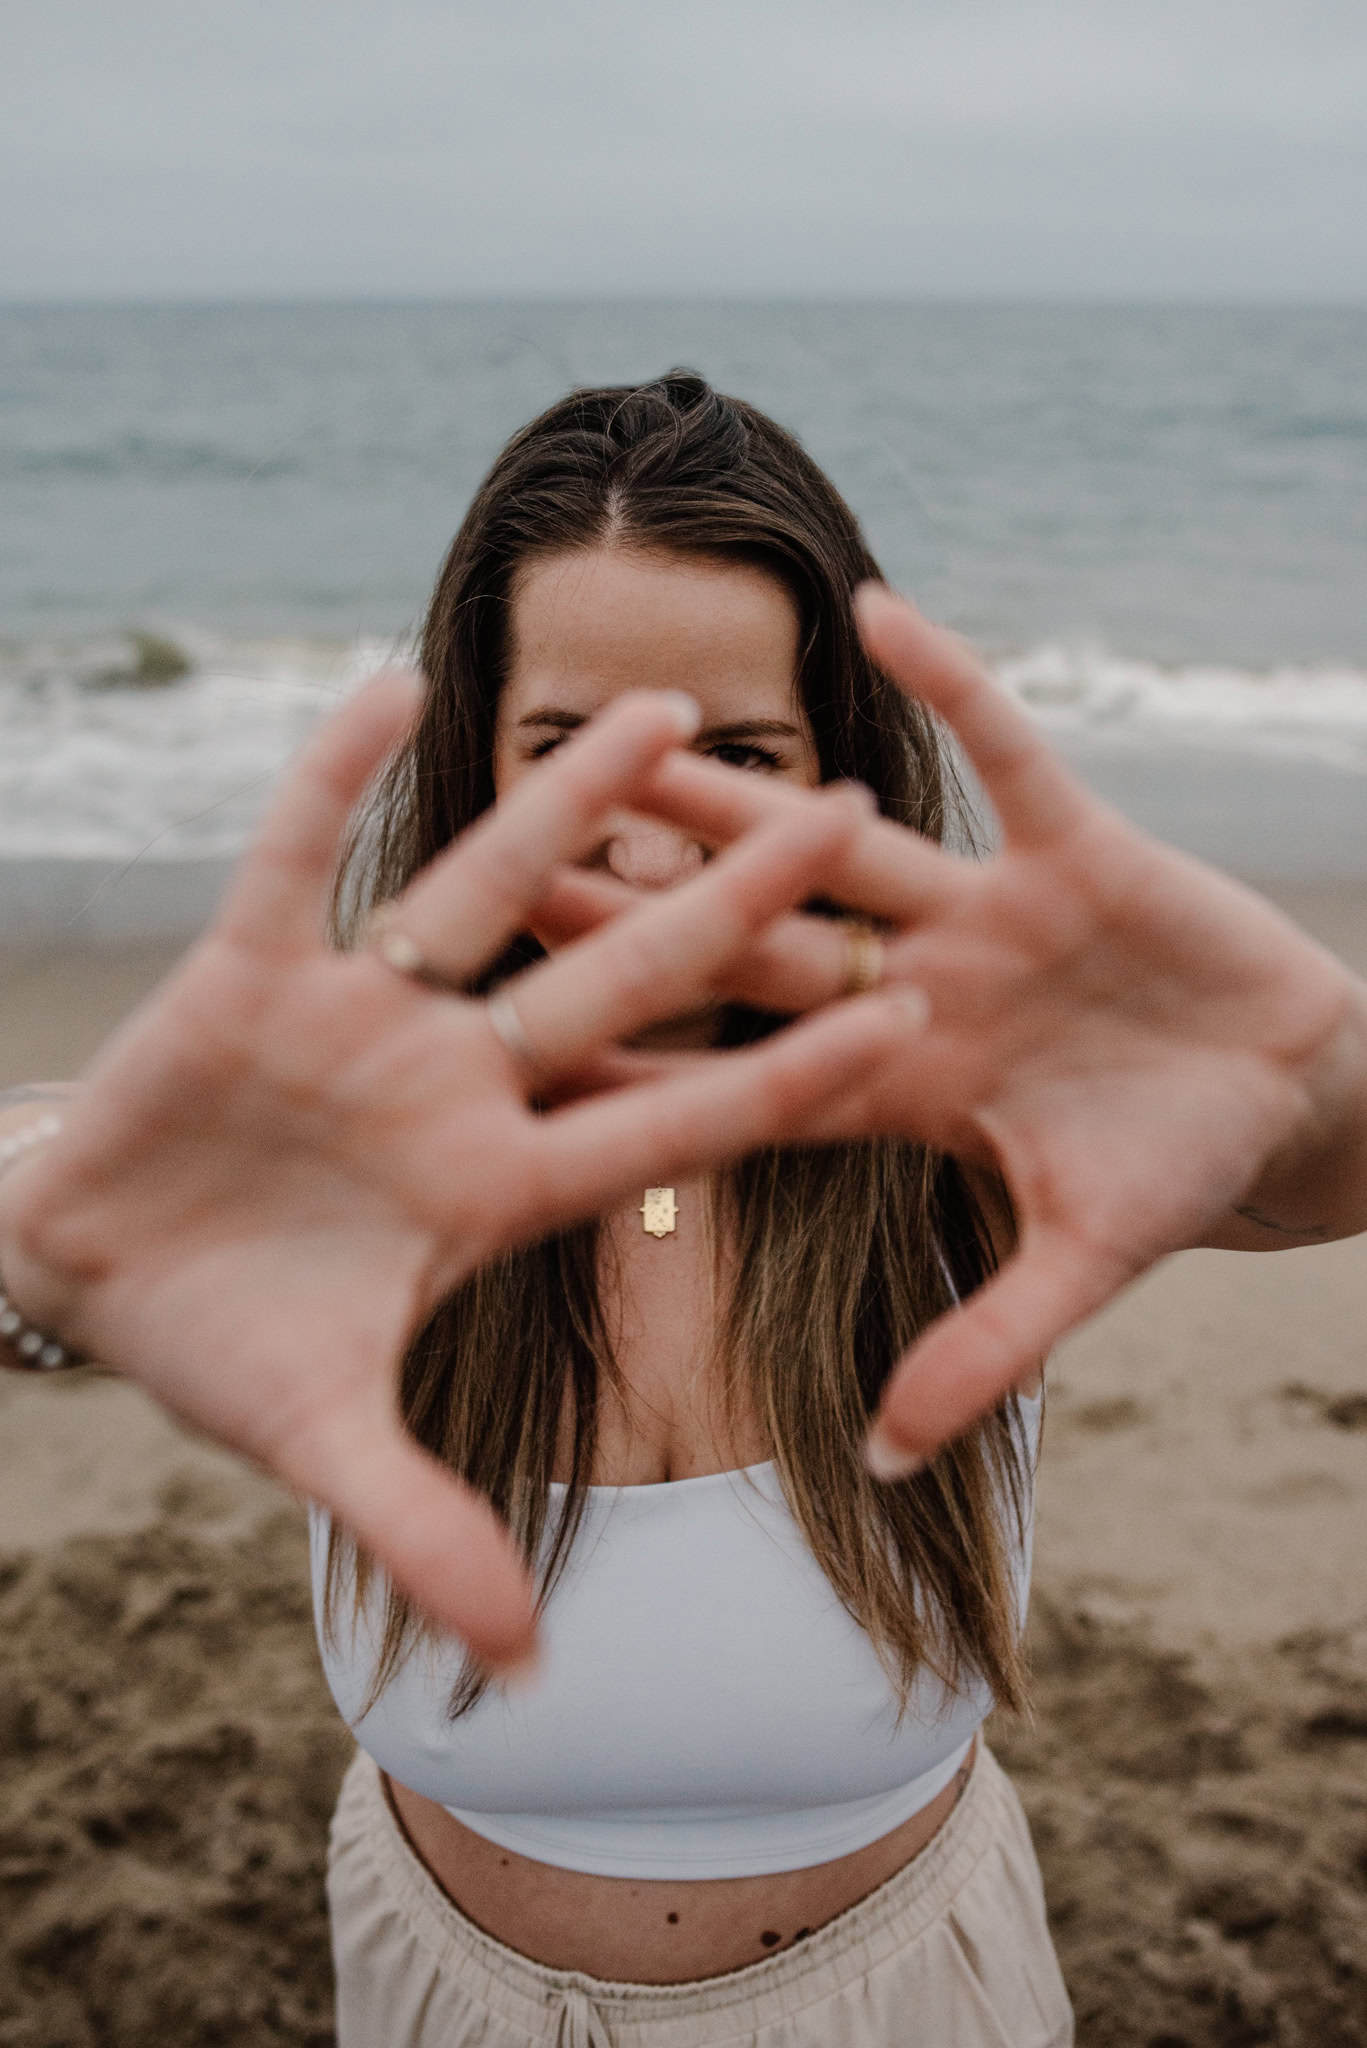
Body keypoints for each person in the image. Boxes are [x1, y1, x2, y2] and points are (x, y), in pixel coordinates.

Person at [1, 372, 1364, 2046]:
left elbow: (1326, 1175)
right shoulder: (329, 1156)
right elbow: (48, 1200)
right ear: (475, 766)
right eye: (570, 754)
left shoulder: (957, 1132)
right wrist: (47, 1249)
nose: (651, 854)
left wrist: (1317, 1060)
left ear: (840, 770)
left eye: (737, 757)